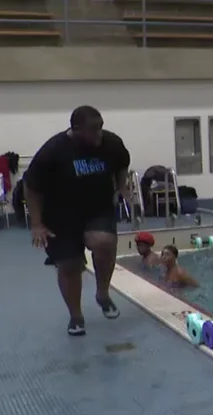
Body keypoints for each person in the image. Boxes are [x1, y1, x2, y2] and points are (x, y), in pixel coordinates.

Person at [24, 105, 131, 336]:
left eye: (101, 127)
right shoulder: (54, 150)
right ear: (76, 129)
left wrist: (121, 187)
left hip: (97, 208)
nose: (99, 134)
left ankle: (103, 294)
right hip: (60, 215)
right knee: (70, 265)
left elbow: (122, 164)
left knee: (103, 242)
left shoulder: (111, 143)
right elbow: (31, 187)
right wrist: (36, 223)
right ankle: (76, 316)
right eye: (93, 129)